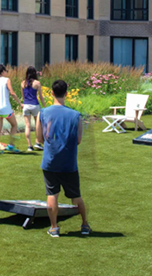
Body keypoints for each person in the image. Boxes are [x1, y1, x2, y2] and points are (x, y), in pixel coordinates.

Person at [36, 80, 90, 238]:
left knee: (52, 194)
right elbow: (78, 140)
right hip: (69, 163)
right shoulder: (75, 115)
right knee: (76, 196)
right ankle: (84, 224)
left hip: (50, 161)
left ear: (51, 93)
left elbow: (39, 138)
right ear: (67, 93)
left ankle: (54, 227)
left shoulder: (43, 113)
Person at [0, 64, 22, 154]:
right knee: (14, 125)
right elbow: (12, 93)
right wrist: (19, 103)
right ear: (3, 72)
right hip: (5, 108)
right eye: (6, 71)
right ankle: (11, 145)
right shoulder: (6, 80)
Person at [21, 66, 46, 152]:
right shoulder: (37, 83)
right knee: (38, 125)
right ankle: (37, 142)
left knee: (27, 125)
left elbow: (23, 96)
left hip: (26, 105)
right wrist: (45, 106)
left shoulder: (23, 83)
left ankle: (29, 146)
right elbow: (41, 97)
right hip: (35, 105)